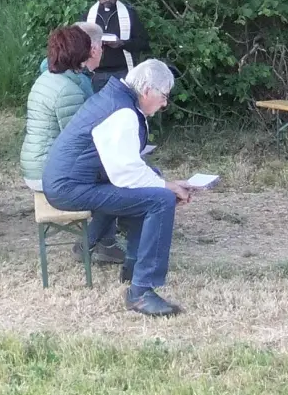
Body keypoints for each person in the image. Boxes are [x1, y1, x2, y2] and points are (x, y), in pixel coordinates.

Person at [43, 59, 193, 316]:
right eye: (164, 96)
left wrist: (162, 182)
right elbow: (125, 173)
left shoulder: (116, 97)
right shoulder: (122, 111)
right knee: (160, 200)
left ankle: (133, 266)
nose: (165, 103)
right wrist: (166, 188)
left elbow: (127, 168)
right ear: (147, 91)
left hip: (71, 180)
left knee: (154, 184)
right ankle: (141, 292)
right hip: (68, 187)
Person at [23, 27, 126, 264]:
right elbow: (80, 142)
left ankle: (103, 240)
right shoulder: (68, 90)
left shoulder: (48, 78)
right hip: (48, 171)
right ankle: (96, 242)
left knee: (110, 175)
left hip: (37, 163)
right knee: (116, 181)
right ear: (80, 53)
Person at [83, 0, 149, 91]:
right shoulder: (89, 15)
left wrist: (122, 43)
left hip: (122, 72)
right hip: (96, 74)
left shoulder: (129, 14)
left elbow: (143, 43)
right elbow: (79, 42)